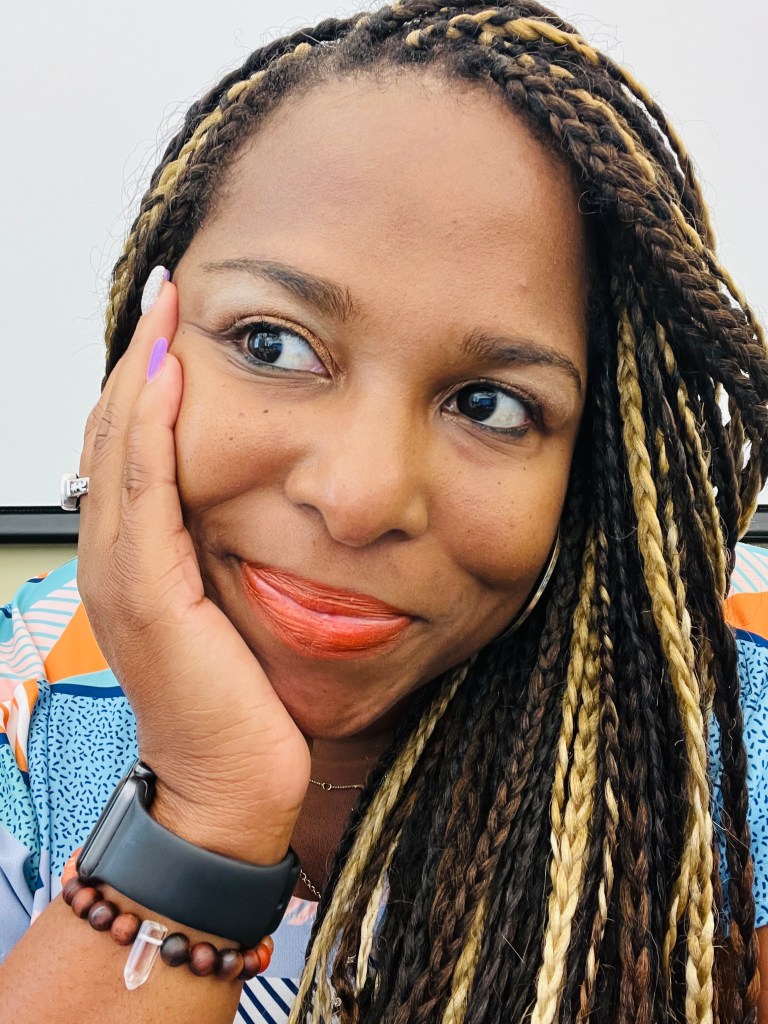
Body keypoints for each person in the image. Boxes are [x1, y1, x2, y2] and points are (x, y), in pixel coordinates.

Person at [2, 2, 768, 1022]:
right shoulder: (29, 703)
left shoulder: (732, 725)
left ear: (589, 461)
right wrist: (206, 806)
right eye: (273, 344)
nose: (358, 499)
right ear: (152, 335)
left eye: (490, 406)